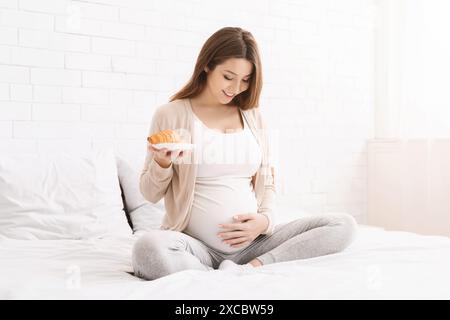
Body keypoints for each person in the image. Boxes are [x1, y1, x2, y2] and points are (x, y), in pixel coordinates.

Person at [132, 27, 356, 280]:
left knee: (343, 225)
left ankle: (252, 269)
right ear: (207, 65)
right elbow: (149, 193)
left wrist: (265, 221)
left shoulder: (252, 117)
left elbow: (268, 181)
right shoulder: (171, 114)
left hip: (254, 246)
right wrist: (162, 163)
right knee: (148, 248)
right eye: (228, 76)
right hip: (196, 247)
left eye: (246, 80)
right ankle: (213, 273)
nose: (236, 88)